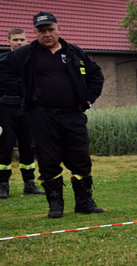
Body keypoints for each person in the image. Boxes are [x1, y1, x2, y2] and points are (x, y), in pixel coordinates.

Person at [0, 12, 105, 219]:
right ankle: (55, 206)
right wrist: (25, 90)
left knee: (80, 159)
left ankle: (85, 203)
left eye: (50, 29)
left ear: (58, 30)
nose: (47, 34)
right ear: (35, 33)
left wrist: (88, 99)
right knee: (48, 161)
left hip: (73, 115)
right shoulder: (26, 53)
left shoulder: (74, 52)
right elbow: (2, 71)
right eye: (42, 31)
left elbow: (96, 75)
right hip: (41, 117)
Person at [0, 29, 45, 198]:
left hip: (26, 109)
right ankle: (3, 184)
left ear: (27, 41)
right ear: (8, 41)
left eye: (22, 39)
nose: (19, 42)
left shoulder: (33, 62)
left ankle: (29, 184)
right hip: (5, 108)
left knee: (29, 146)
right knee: (5, 147)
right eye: (15, 40)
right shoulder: (3, 61)